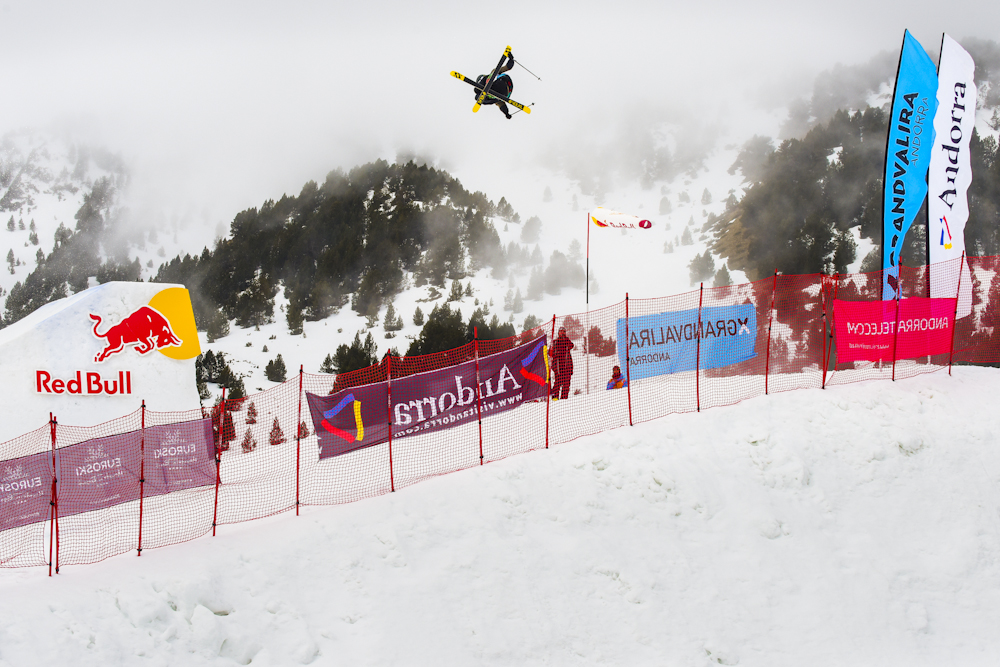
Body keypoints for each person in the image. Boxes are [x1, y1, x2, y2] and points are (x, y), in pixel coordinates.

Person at [475, 51, 515, 119]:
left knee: (476, 93)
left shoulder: (491, 74)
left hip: (501, 81)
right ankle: (485, 94)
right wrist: (506, 113)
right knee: (481, 96)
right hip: (505, 89)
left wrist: (511, 59)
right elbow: (501, 105)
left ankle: (481, 90)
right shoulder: (494, 98)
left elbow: (507, 67)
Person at [549, 326, 574, 400]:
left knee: (566, 385)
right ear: (558, 333)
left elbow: (571, 345)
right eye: (561, 331)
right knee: (557, 383)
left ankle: (564, 399)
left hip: (567, 367)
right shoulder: (555, 342)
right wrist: (555, 353)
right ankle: (555, 398)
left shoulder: (567, 341)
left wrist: (565, 339)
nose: (562, 333)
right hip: (558, 367)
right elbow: (549, 352)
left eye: (564, 331)